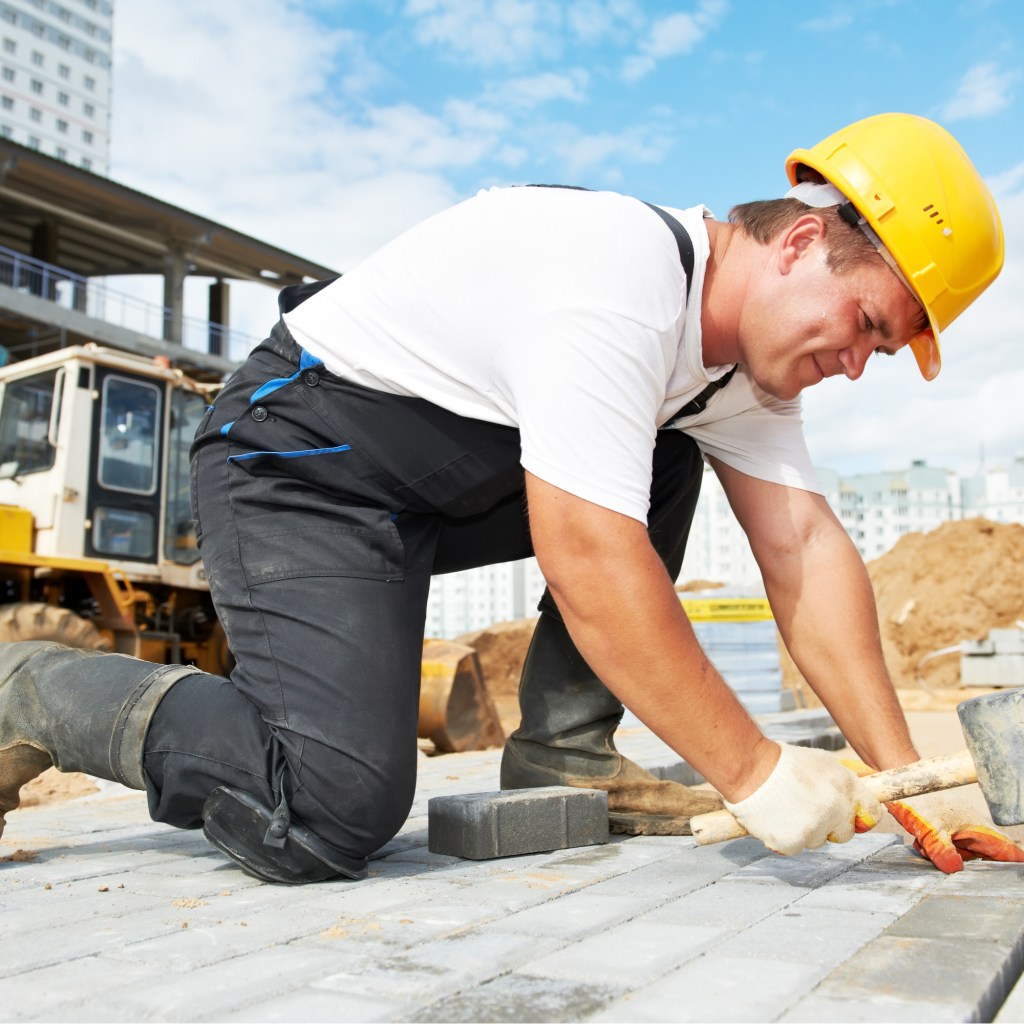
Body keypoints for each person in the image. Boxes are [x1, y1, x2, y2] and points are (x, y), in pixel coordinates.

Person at [1, 112, 1019, 884]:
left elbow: (801, 548)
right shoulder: (614, 272)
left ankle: (563, 755)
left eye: (877, 353)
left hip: (418, 495)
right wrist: (751, 770)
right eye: (865, 325)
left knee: (662, 452)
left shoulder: (735, 378)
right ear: (800, 243)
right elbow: (585, 554)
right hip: (291, 465)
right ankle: (31, 691)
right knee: (324, 811)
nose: (853, 365)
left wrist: (901, 787)